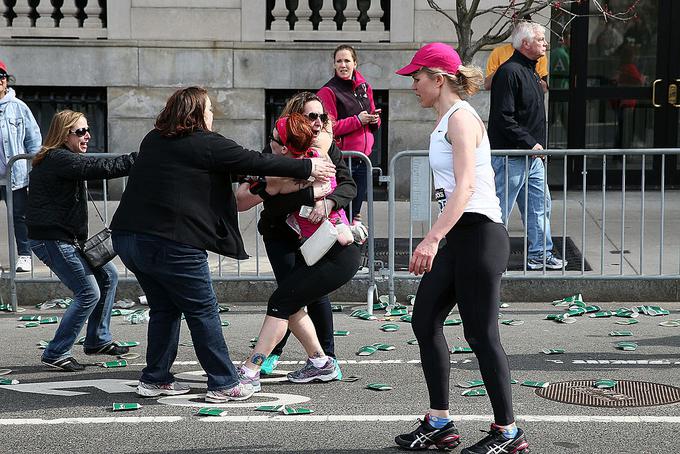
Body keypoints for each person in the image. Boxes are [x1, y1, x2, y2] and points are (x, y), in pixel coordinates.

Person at [110, 87, 335, 403]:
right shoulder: (206, 144)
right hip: (172, 243)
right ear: (197, 113)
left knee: (165, 308)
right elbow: (254, 160)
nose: (212, 114)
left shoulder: (154, 139)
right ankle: (223, 383)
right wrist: (307, 167)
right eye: (209, 108)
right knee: (203, 311)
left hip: (128, 238)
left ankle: (155, 378)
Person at [393, 42, 529, 453]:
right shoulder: (446, 120)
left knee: (481, 335)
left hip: (481, 235)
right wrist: (442, 236)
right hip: (460, 236)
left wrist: (432, 237)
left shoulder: (462, 119)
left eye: (417, 77)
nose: (413, 85)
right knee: (424, 320)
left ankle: (508, 432)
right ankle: (439, 422)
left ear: (438, 78)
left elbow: (467, 186)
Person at [235, 112, 362, 391]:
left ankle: (251, 370)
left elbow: (245, 199)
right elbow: (325, 136)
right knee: (290, 303)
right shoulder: (314, 157)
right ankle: (321, 363)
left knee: (280, 303)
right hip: (329, 248)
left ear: (283, 147)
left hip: (336, 253)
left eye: (275, 141)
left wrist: (261, 178)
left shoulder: (287, 174)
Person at [26, 110, 135, 372]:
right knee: (88, 292)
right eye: (80, 132)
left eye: (87, 130)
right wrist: (141, 159)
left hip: (69, 238)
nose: (87, 136)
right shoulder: (58, 159)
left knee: (108, 276)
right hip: (52, 239)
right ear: (64, 135)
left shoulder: (65, 158)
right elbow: (101, 167)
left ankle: (98, 339)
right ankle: (56, 352)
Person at [488, 21, 567, 271]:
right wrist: (530, 143)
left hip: (532, 157)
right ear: (525, 44)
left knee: (539, 206)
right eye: (541, 39)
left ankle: (540, 254)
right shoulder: (509, 72)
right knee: (498, 210)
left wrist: (536, 149)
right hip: (512, 156)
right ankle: (487, 256)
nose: (545, 43)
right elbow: (503, 117)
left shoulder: (532, 72)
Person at [317, 44, 380, 222]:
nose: (343, 65)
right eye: (339, 61)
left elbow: (372, 114)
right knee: (341, 212)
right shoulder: (328, 91)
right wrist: (358, 120)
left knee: (356, 212)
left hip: (364, 158)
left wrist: (374, 120)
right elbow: (328, 127)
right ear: (334, 65)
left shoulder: (365, 87)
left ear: (355, 63)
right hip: (343, 160)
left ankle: (353, 245)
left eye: (347, 60)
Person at [0, 59, 42, 273]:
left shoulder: (18, 107)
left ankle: (24, 255)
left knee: (19, 215)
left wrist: (35, 171)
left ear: (6, 81)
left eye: (1, 77)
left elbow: (33, 141)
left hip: (14, 174)